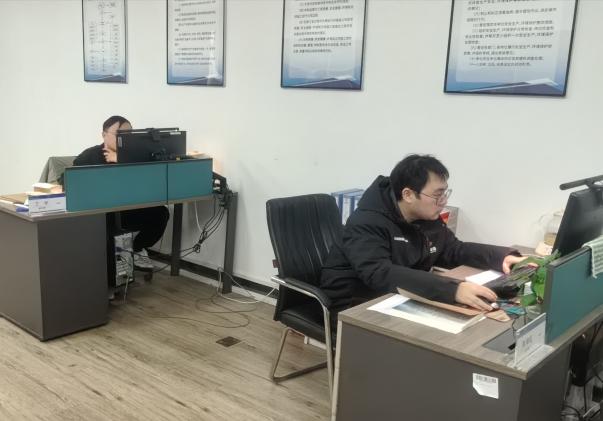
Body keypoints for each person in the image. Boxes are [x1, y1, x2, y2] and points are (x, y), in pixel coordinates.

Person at [320, 154, 526, 315]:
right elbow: (379, 273)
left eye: (445, 193)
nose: (443, 201)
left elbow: (452, 249)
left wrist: (502, 257)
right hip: (353, 305)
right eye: (437, 195)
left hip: (397, 297)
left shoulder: (424, 216)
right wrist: (453, 289)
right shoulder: (367, 222)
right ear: (408, 194)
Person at [73, 115, 169, 270]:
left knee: (160, 214)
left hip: (128, 209)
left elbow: (148, 179)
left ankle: (136, 248)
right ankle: (108, 264)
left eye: (129, 135)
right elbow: (69, 180)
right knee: (107, 224)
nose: (125, 139)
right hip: (103, 212)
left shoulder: (136, 156)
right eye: (120, 134)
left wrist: (121, 159)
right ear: (104, 135)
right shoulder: (90, 155)